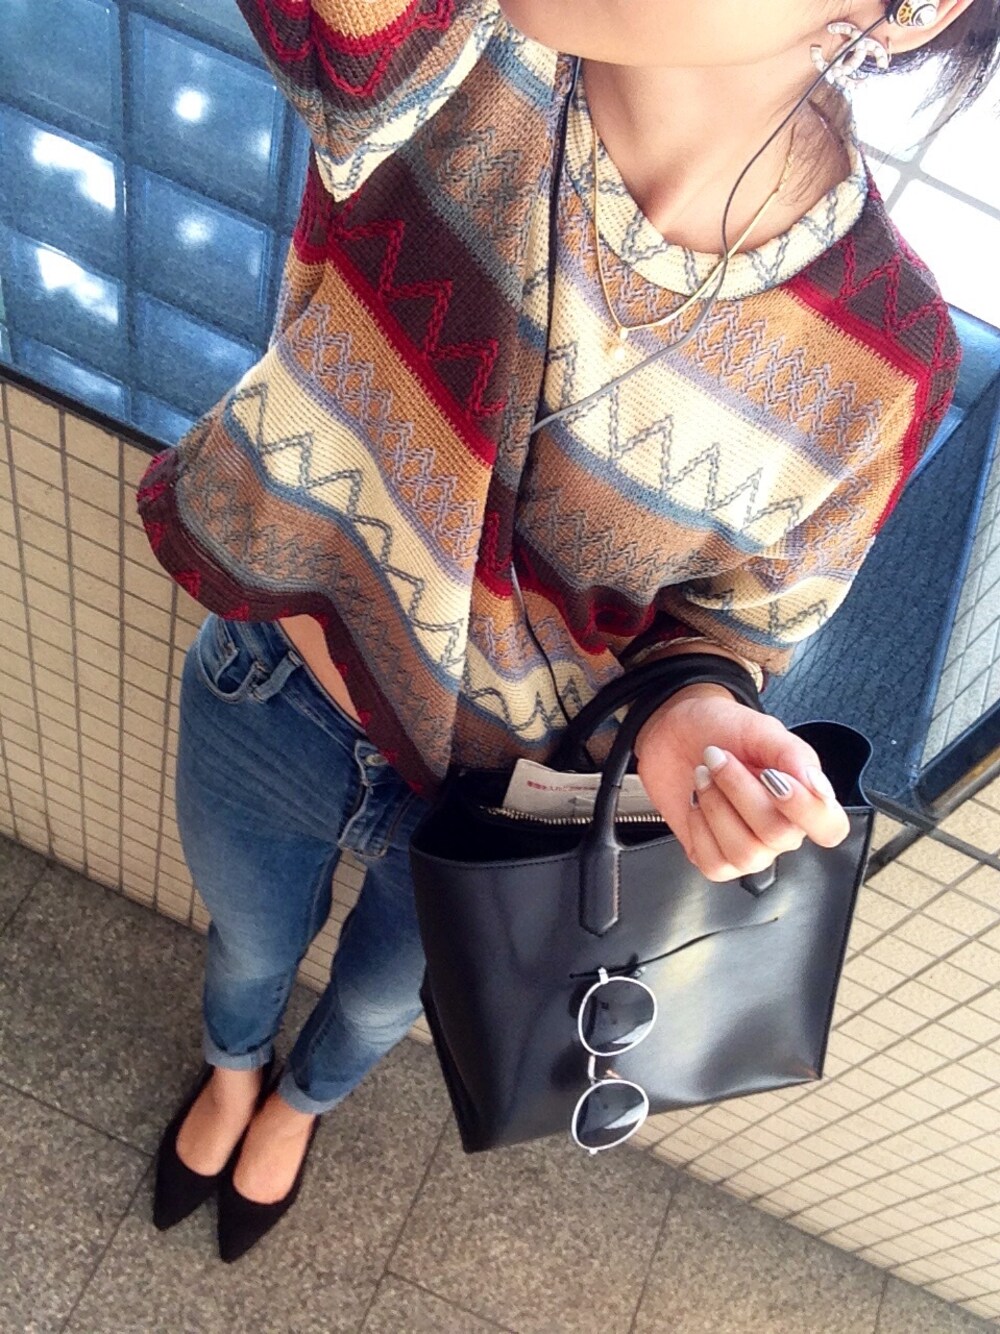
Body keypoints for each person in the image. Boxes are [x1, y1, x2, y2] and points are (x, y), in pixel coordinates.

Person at [135, 0, 998, 1262]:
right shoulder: (452, 53)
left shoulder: (883, 350)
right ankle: (231, 1068)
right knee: (249, 941)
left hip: (505, 817)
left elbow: (736, 624)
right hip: (276, 691)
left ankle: (303, 1101)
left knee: (378, 1003)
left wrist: (694, 711)